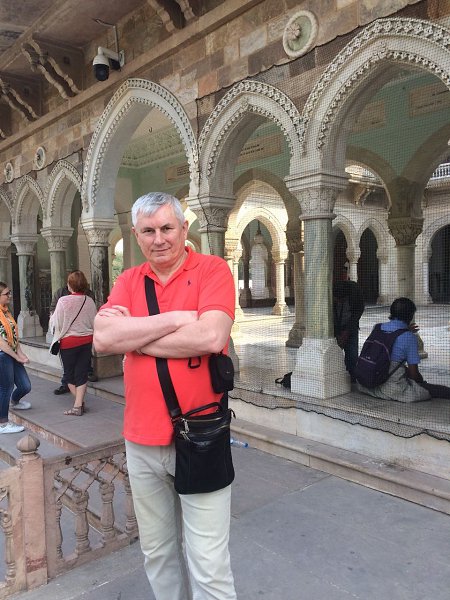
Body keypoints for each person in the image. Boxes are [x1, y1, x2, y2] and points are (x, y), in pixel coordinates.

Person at [93, 192, 236, 600]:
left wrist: (135, 336)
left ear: (184, 228)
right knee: (157, 552)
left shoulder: (212, 270)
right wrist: (175, 319)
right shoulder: (129, 280)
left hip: (201, 436)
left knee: (208, 561)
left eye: (167, 228)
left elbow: (211, 336)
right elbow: (102, 339)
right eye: (149, 231)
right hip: (141, 439)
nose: (159, 239)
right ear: (136, 235)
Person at [357, 297, 450, 402]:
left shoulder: (377, 327)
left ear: (392, 312)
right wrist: (421, 383)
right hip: (391, 389)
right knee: (439, 390)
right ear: (410, 315)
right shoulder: (409, 337)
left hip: (364, 385)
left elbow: (388, 337)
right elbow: (414, 374)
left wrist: (406, 331)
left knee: (401, 368)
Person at [49, 271, 97, 416]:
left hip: (68, 343)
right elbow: (94, 321)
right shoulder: (89, 301)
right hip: (86, 341)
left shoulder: (63, 301)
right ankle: (79, 404)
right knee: (82, 373)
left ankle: (78, 405)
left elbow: (56, 323)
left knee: (69, 376)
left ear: (70, 285)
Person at [0, 281, 30, 434]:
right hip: (2, 355)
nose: (10, 296)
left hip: (11, 354)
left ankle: (14, 402)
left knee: (25, 386)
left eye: (9, 292)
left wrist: (20, 353)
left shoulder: (6, 311)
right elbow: (2, 343)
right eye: (7, 294)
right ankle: (2, 424)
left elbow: (13, 336)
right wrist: (16, 357)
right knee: (6, 387)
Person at [333, 280, 365, 381]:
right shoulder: (331, 293)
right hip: (335, 327)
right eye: (337, 300)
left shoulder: (355, 292)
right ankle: (337, 376)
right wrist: (337, 333)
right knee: (334, 354)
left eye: (341, 300)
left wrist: (347, 331)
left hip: (351, 327)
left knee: (352, 354)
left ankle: (352, 378)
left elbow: (358, 312)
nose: (338, 302)